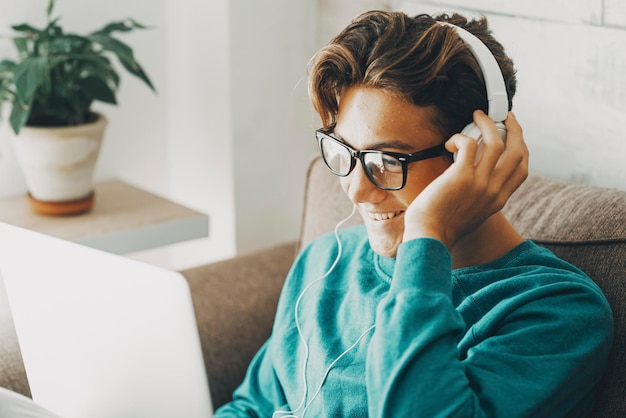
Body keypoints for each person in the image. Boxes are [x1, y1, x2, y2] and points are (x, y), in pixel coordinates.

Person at [213, 10, 613, 418]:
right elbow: (250, 406)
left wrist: (427, 235)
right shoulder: (322, 262)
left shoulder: (556, 310)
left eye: (387, 159)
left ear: (477, 152)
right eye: (345, 151)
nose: (356, 188)